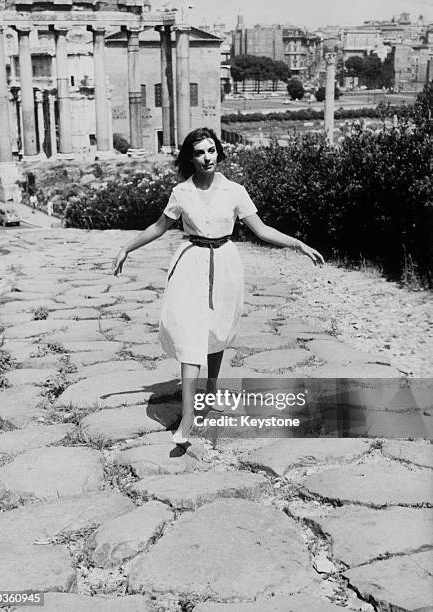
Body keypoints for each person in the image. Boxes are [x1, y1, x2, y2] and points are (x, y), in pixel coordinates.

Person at [112, 127, 324, 455]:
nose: (207, 157)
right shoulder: (181, 192)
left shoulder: (235, 191)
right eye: (199, 152)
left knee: (216, 329)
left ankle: (210, 391)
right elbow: (158, 227)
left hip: (224, 263)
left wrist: (298, 244)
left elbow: (261, 229)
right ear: (190, 157)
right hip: (191, 263)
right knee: (191, 336)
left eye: (211, 150)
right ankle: (188, 419)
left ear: (218, 152)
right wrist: (126, 248)